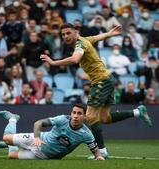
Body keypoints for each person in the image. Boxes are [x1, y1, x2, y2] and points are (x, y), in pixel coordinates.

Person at [40, 23, 153, 159]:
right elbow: (97, 37)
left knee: (91, 116)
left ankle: (102, 151)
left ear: (75, 32)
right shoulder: (85, 39)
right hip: (107, 79)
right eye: (63, 34)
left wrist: (53, 62)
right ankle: (137, 112)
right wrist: (109, 34)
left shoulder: (80, 44)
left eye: (68, 33)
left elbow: (75, 59)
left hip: (101, 81)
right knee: (105, 118)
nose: (65, 36)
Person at [0, 104, 104, 160]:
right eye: (74, 113)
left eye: (79, 113)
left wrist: (98, 156)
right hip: (39, 139)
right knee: (6, 138)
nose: (75, 116)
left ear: (84, 116)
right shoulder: (62, 119)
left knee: (11, 155)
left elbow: (95, 150)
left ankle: (10, 145)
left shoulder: (86, 133)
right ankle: (13, 119)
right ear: (71, 113)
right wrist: (37, 137)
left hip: (44, 156)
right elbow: (38, 123)